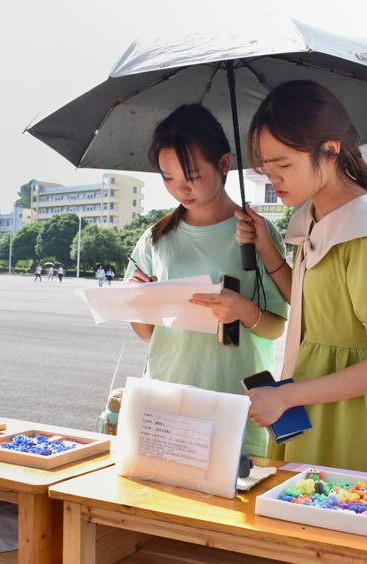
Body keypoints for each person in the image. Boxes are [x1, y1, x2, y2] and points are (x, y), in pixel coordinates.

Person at [236, 80, 367, 481]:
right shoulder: (314, 215)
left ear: (329, 150)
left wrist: (286, 396)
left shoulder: (365, 233)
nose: (274, 180)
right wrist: (267, 249)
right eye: (266, 168)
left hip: (358, 409)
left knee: (348, 522)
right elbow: (313, 307)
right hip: (316, 393)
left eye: (284, 165)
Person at [124, 104, 288, 457]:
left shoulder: (256, 233)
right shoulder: (156, 237)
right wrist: (140, 301)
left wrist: (243, 309)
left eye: (192, 176)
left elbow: (277, 327)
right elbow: (147, 334)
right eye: (168, 178)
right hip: (167, 397)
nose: (180, 189)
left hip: (233, 400)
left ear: (224, 164)